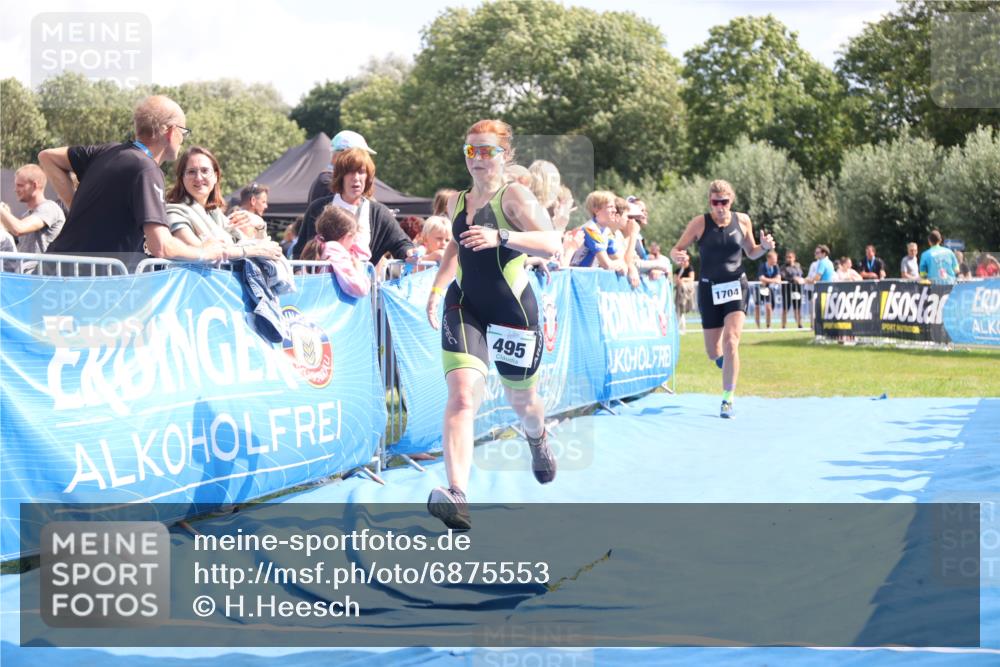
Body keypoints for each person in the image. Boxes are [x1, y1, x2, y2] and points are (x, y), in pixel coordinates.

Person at [424, 119, 562, 529]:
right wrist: (437, 289)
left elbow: (552, 243)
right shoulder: (457, 200)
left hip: (512, 312)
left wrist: (501, 236)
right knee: (463, 396)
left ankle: (537, 437)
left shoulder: (515, 196)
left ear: (505, 155)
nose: (478, 159)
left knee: (524, 403)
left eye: (487, 151)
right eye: (471, 151)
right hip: (464, 305)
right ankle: (457, 494)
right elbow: (455, 244)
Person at [38, 94, 230, 267]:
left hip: (55, 271)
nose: (183, 140)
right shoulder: (147, 169)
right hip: (89, 283)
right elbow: (161, 246)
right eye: (184, 132)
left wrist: (76, 206)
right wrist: (205, 253)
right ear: (171, 132)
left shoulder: (107, 151)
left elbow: (47, 157)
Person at [670, 180, 775, 419]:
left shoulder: (743, 220)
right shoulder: (700, 223)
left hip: (736, 285)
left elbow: (752, 252)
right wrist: (677, 256)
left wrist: (764, 247)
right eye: (715, 202)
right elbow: (676, 249)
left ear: (731, 201)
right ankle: (725, 362)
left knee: (731, 341)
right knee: (713, 351)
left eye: (724, 202)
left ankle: (727, 398)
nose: (719, 207)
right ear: (710, 202)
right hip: (709, 289)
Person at [292, 148, 414, 265]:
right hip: (323, 279)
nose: (356, 178)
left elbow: (402, 244)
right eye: (350, 171)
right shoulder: (318, 208)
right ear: (340, 176)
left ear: (368, 177)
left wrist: (410, 253)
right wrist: (299, 271)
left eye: (361, 172)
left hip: (361, 279)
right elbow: (300, 251)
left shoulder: (379, 213)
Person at [165, 146, 281, 260]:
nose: (199, 178)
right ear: (182, 178)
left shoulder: (216, 215)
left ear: (216, 177)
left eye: (205, 171)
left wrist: (260, 226)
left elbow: (256, 246)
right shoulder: (174, 212)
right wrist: (253, 251)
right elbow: (200, 252)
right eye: (191, 172)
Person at [0, 164, 66, 273]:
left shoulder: (49, 207)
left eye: (20, 185)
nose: (15, 189)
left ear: (34, 185)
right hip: (26, 276)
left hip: (41, 277)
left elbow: (19, 229)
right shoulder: (26, 215)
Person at [298, 205, 371, 297]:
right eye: (354, 237)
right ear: (347, 236)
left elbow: (363, 254)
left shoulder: (320, 245)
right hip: (329, 303)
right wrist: (359, 271)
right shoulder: (335, 252)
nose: (354, 242)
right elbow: (360, 289)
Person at [307, 130, 377, 205]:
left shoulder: (326, 179)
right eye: (360, 154)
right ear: (344, 154)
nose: (365, 158)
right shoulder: (328, 183)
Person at [755, 250, 781, 329]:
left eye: (776, 259)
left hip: (769, 289)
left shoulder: (776, 266)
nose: (775, 261)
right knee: (757, 307)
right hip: (759, 288)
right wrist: (773, 280)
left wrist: (768, 281)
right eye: (774, 259)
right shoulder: (762, 266)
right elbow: (761, 278)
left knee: (769, 307)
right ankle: (758, 327)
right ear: (768, 259)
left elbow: (779, 279)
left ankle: (768, 326)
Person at [779, 250, 804, 329]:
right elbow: (783, 276)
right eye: (787, 257)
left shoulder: (798, 266)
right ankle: (783, 326)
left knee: (797, 308)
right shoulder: (783, 267)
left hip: (797, 290)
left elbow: (801, 275)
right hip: (787, 290)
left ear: (794, 258)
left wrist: (798, 279)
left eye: (790, 257)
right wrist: (793, 279)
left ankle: (799, 324)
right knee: (785, 308)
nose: (788, 259)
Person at [675, 254, 696, 334]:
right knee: (679, 310)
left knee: (682, 310)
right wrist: (681, 271)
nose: (684, 262)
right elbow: (676, 280)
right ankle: (680, 328)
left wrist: (683, 279)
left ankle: (682, 328)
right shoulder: (678, 270)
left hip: (687, 293)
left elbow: (691, 278)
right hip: (679, 294)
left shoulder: (690, 268)